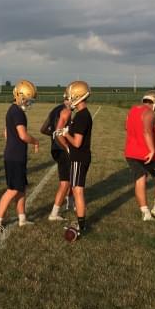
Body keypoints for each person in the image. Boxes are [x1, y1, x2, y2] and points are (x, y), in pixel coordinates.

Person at [0, 80, 40, 234]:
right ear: (20, 96)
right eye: (27, 99)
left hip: (14, 155)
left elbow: (6, 133)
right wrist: (35, 141)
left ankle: (22, 218)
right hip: (15, 157)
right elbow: (23, 135)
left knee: (21, 189)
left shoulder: (12, 110)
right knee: (12, 190)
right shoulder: (18, 113)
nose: (28, 102)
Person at [124, 90, 155, 221]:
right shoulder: (149, 112)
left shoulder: (132, 109)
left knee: (141, 179)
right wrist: (152, 150)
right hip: (148, 153)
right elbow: (146, 132)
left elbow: (126, 127)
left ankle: (146, 212)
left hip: (131, 151)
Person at [58, 81, 92, 238]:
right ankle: (81, 222)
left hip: (79, 157)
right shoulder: (82, 114)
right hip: (80, 157)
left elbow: (77, 142)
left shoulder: (81, 116)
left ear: (78, 96)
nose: (69, 99)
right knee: (76, 189)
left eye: (71, 96)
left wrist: (65, 134)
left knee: (77, 190)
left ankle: (81, 224)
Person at [40, 90, 73, 221]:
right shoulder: (66, 111)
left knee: (69, 177)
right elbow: (59, 132)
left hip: (55, 148)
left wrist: (53, 135)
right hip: (62, 149)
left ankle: (70, 202)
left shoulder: (55, 109)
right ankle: (54, 212)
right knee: (65, 181)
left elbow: (43, 129)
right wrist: (67, 145)